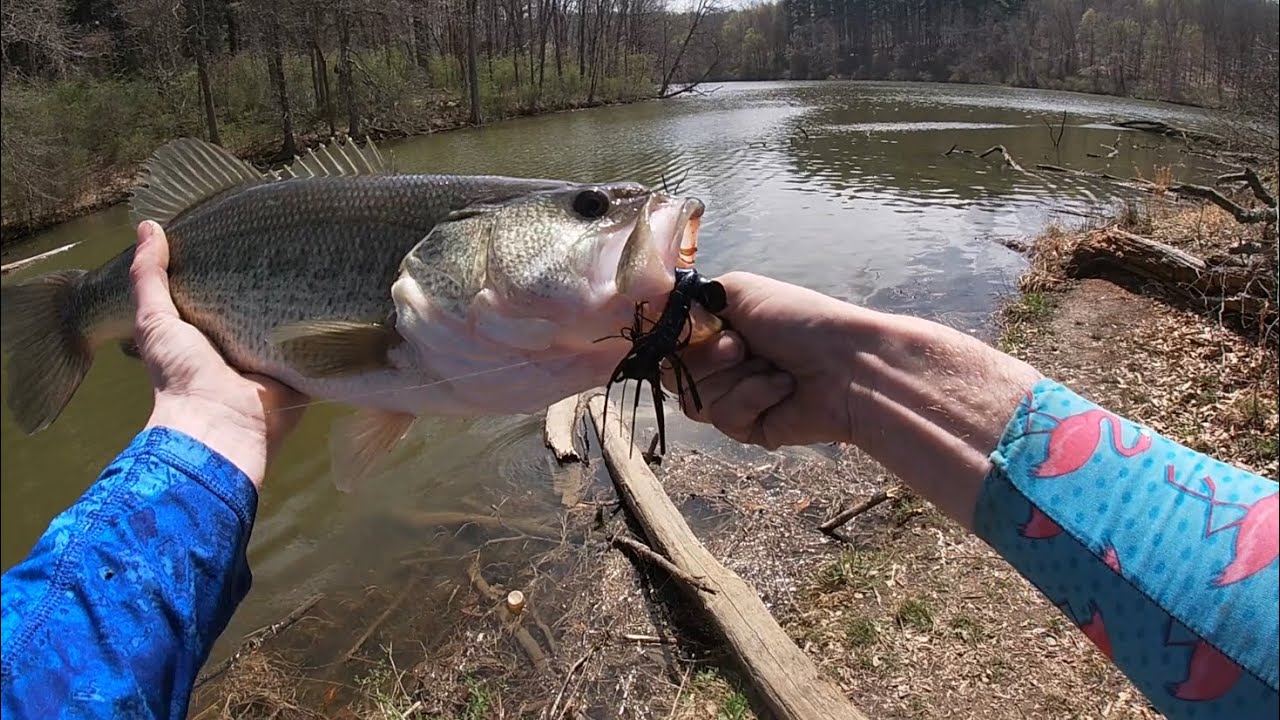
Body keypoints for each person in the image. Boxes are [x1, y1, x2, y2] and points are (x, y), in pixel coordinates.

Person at [2, 221, 1276, 719]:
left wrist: (200, 444)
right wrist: (881, 379)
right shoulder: (430, 312)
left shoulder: (540, 328)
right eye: (588, 204)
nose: (637, 219)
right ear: (441, 259)